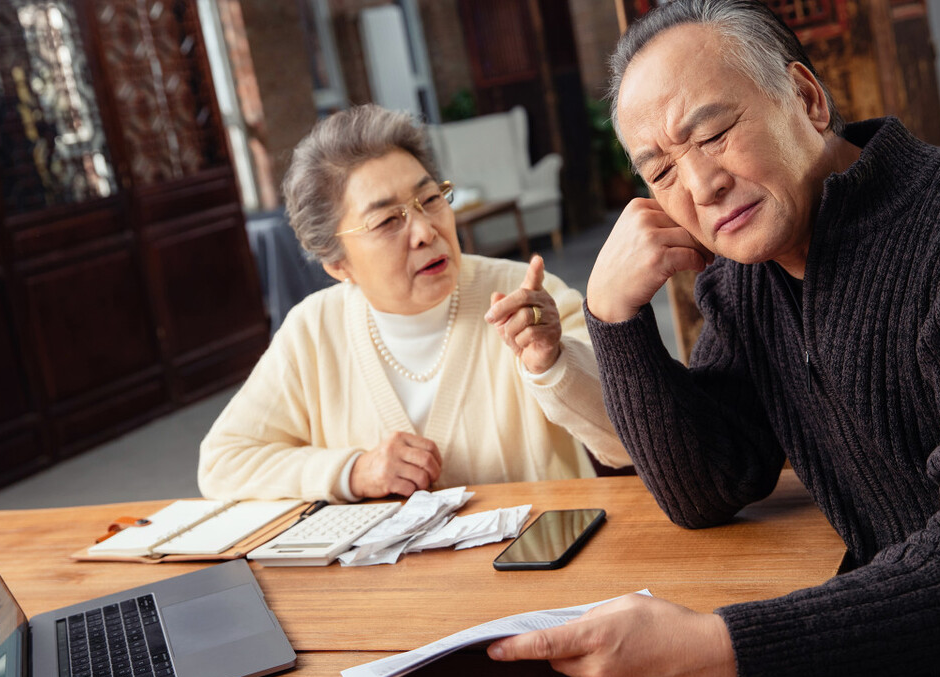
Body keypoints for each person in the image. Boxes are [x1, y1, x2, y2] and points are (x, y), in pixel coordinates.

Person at [488, 0, 940, 677]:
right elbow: (708, 486)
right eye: (661, 171)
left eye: (712, 134)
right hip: (911, 668)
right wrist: (614, 319)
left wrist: (721, 649)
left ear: (806, 98)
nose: (700, 185)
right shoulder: (746, 280)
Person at [198, 104, 628, 503]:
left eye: (430, 200)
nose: (425, 230)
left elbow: (628, 442)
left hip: (542, 568)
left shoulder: (525, 298)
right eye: (387, 221)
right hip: (390, 585)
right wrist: (353, 471)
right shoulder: (313, 330)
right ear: (337, 263)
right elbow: (222, 463)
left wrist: (552, 364)